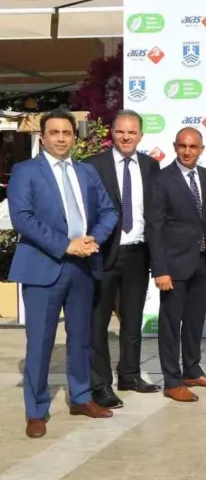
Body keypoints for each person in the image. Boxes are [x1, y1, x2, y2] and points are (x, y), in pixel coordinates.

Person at [9, 109, 118, 437]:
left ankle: (81, 397)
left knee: (81, 338)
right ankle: (36, 411)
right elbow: (23, 218)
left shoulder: (86, 172)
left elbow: (110, 210)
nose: (60, 138)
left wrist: (91, 240)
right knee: (40, 342)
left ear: (75, 137)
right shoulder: (25, 171)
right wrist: (66, 245)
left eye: (66, 133)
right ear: (42, 137)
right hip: (44, 267)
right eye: (54, 132)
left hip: (83, 268)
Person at [85, 110, 161, 409]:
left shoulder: (151, 166)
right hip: (103, 254)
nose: (126, 137)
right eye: (120, 132)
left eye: (132, 132)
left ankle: (129, 374)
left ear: (140, 135)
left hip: (138, 253)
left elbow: (155, 213)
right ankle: (100, 384)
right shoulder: (93, 166)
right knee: (98, 322)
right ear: (111, 134)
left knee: (132, 320)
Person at [147, 127, 206, 402]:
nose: (188, 151)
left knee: (193, 322)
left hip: (202, 263)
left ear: (201, 149)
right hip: (173, 266)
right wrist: (160, 269)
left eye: (193, 147)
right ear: (175, 147)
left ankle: (192, 369)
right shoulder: (162, 180)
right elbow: (154, 227)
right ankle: (171, 380)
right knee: (170, 324)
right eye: (183, 146)